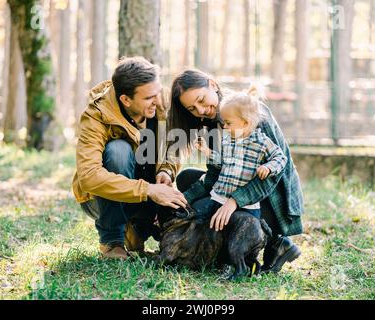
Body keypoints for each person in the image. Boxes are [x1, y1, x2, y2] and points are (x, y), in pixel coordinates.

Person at [167, 69, 304, 273]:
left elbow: (272, 178)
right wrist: (181, 203)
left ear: (213, 85)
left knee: (220, 214)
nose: (201, 110)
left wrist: (233, 202)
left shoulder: (250, 113)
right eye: (193, 109)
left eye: (202, 100)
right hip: (238, 187)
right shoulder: (215, 127)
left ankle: (276, 242)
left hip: (270, 200)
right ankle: (224, 248)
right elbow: (214, 174)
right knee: (187, 179)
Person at [72, 57, 187, 260]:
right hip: (100, 201)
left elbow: (176, 142)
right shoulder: (96, 115)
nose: (157, 99)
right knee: (118, 151)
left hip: (146, 192)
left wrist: (166, 170)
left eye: (158, 92)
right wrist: (148, 189)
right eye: (149, 97)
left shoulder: (160, 101)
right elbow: (88, 176)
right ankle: (112, 241)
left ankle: (137, 229)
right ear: (126, 100)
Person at [190, 90, 288, 230]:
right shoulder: (227, 140)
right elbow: (222, 163)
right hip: (220, 196)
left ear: (245, 122)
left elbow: (280, 158)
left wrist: (268, 167)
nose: (224, 127)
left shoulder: (262, 143)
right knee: (201, 221)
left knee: (247, 229)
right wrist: (208, 152)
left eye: (228, 123)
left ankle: (271, 238)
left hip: (246, 205)